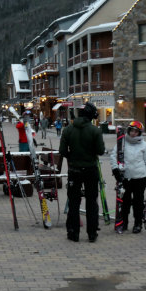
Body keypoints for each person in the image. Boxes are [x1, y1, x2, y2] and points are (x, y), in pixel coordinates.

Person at [59, 101, 106, 243]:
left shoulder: (68, 130)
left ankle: (73, 232)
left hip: (74, 170)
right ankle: (92, 233)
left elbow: (62, 151)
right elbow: (100, 151)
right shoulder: (95, 131)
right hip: (90, 169)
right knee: (91, 201)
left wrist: (72, 157)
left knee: (74, 201)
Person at [113, 120, 146, 233]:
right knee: (125, 202)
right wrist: (115, 169)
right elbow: (114, 156)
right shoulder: (121, 142)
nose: (133, 133)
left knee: (138, 203)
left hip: (139, 178)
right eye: (131, 131)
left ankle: (138, 223)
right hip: (125, 178)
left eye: (136, 132)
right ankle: (124, 222)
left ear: (139, 133)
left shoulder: (144, 145)